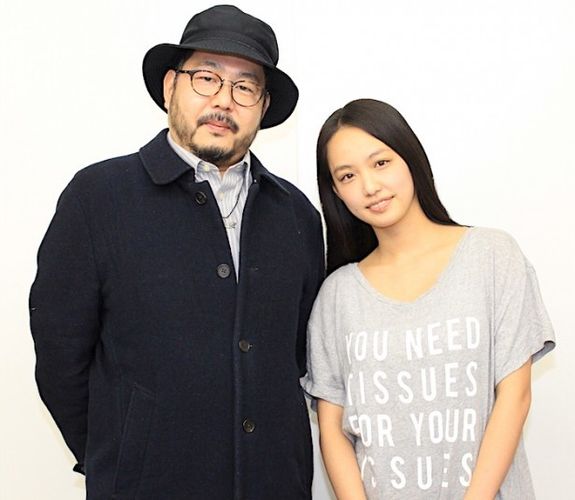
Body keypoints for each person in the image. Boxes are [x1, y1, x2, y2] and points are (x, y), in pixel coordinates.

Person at [29, 5, 324, 499]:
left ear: (263, 105)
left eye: (245, 87)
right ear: (170, 86)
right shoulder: (98, 198)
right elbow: (61, 358)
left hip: (275, 483)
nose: (223, 101)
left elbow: (295, 354)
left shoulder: (296, 215)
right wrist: (123, 453)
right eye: (206, 78)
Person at [302, 98, 555, 499]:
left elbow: (515, 395)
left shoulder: (492, 256)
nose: (369, 186)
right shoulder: (337, 295)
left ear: (410, 158)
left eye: (380, 163)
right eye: (348, 175)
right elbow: (332, 429)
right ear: (336, 191)